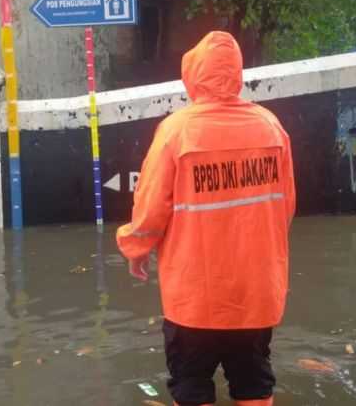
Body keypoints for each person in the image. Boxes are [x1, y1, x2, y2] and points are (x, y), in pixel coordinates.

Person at [117, 31, 296, 406]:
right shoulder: (270, 128)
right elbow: (285, 208)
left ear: (192, 75)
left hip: (194, 298)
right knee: (254, 381)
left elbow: (150, 209)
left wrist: (135, 248)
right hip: (255, 294)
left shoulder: (177, 131)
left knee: (191, 383)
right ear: (237, 74)